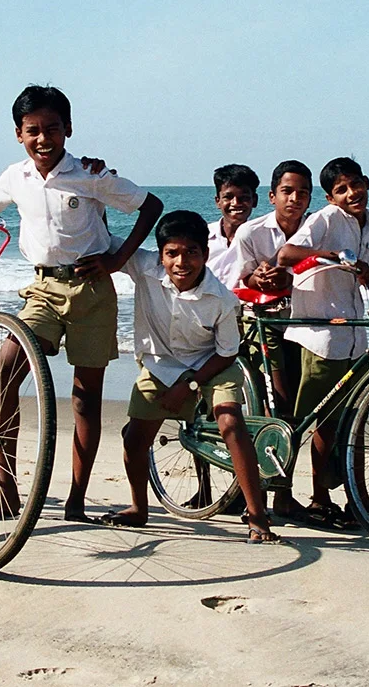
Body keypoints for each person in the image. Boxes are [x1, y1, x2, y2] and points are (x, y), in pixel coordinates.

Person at [0, 85, 163, 523]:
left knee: (84, 399)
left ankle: (76, 500)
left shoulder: (90, 174)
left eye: (52, 128)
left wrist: (117, 260)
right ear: (18, 134)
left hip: (92, 291)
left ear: (68, 129)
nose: (42, 139)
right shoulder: (15, 176)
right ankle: (6, 492)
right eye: (32, 130)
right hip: (43, 290)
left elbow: (150, 206)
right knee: (3, 371)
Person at [100, 211, 279, 542]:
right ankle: (139, 508)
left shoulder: (222, 299)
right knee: (134, 439)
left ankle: (257, 516)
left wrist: (191, 384)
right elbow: (102, 238)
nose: (181, 262)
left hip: (212, 366)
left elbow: (227, 352)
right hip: (160, 365)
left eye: (191, 252)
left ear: (205, 254)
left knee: (231, 423)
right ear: (160, 255)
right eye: (172, 253)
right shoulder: (144, 267)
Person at [275, 157, 369, 528]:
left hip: (353, 332)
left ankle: (352, 500)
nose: (352, 193)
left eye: (356, 185)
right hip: (321, 334)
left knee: (348, 420)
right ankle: (304, 497)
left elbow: (355, 267)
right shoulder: (326, 218)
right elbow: (286, 254)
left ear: (367, 182)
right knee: (314, 421)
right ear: (330, 197)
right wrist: (326, 255)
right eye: (341, 190)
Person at [232, 160, 313, 516]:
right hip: (264, 323)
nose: (294, 199)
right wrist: (260, 279)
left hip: (305, 323)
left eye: (302, 193)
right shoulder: (251, 232)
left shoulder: (317, 229)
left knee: (297, 412)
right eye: (287, 191)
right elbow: (242, 279)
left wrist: (289, 279)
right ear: (272, 196)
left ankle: (282, 493)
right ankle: (267, 493)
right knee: (277, 406)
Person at [206, 164, 260, 289]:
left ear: (254, 200)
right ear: (218, 201)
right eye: (228, 197)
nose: (236, 203)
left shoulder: (261, 240)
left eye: (244, 198)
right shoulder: (202, 236)